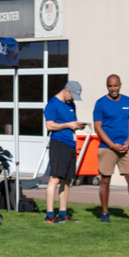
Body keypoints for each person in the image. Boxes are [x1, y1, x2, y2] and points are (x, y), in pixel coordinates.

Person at [92, 73, 129, 223]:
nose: (113, 88)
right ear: (107, 86)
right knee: (105, 180)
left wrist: (128, 141)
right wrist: (111, 145)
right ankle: (105, 213)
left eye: (115, 85)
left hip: (125, 147)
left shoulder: (128, 101)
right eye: (110, 86)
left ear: (120, 85)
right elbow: (98, 128)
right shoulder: (100, 103)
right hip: (107, 147)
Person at [42, 81, 82, 223]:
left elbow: (72, 121)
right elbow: (49, 125)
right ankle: (49, 214)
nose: (72, 99)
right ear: (66, 90)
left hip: (71, 144)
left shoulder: (71, 104)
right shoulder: (52, 104)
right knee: (55, 178)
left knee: (67, 179)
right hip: (59, 144)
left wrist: (77, 125)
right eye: (72, 95)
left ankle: (63, 213)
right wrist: (68, 125)